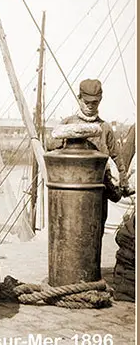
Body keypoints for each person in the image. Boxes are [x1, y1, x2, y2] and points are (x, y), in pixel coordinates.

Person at [46, 79, 131, 236]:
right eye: (87, 102)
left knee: (94, 233)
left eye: (95, 103)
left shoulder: (105, 129)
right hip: (71, 190)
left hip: (98, 191)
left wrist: (124, 182)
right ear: (79, 99)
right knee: (70, 233)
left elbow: (118, 159)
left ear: (100, 101)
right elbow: (49, 146)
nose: (91, 106)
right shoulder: (67, 124)